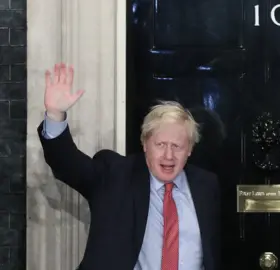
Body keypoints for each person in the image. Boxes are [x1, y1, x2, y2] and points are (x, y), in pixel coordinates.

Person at [38, 63, 220, 270]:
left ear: (189, 149)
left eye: (177, 146)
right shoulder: (115, 174)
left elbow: (213, 252)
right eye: (160, 145)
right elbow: (68, 165)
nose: (168, 155)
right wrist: (55, 116)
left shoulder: (206, 185)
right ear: (145, 144)